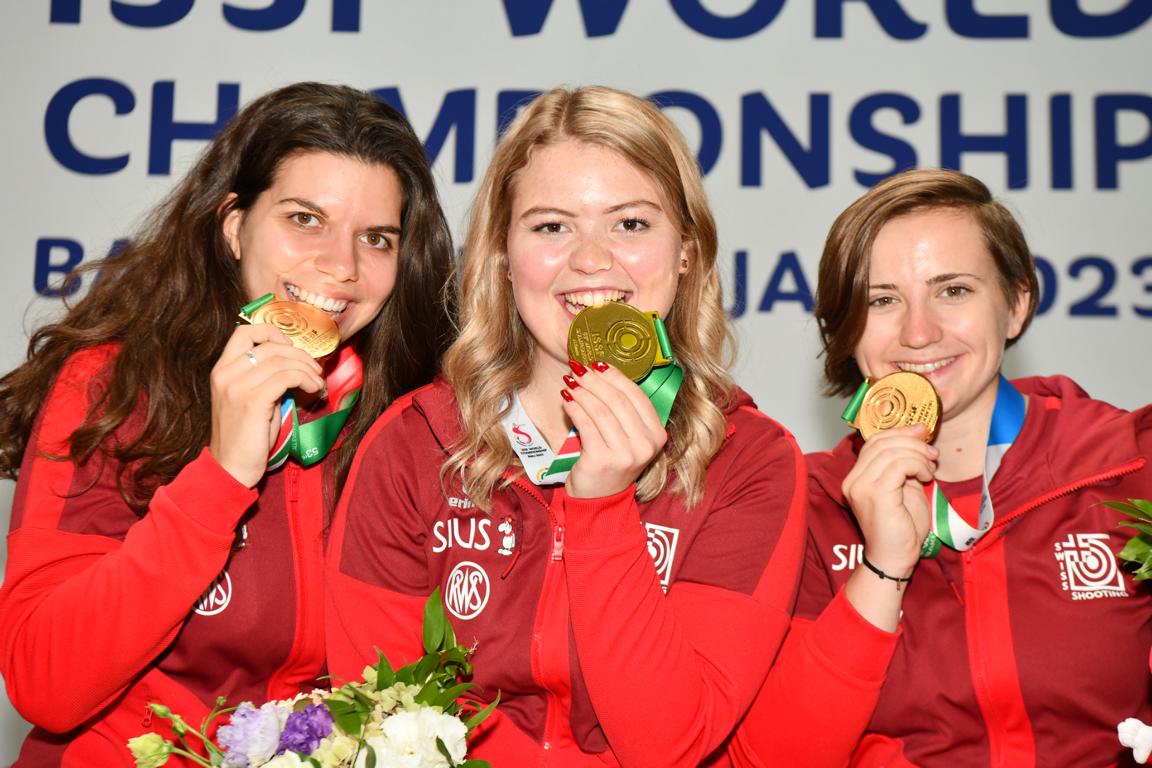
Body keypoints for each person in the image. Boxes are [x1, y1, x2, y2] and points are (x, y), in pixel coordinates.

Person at [326, 85, 806, 767]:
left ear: (687, 251)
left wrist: (602, 508)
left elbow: (667, 742)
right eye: (551, 226)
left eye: (631, 224)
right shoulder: (415, 443)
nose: (590, 259)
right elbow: (369, 723)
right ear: (501, 254)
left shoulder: (749, 460)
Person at [0, 82, 455, 766]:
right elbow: (46, 684)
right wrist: (220, 475)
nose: (342, 265)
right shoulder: (115, 387)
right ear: (234, 225)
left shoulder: (410, 418)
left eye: (377, 238)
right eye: (305, 219)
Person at [730, 168, 1152, 767]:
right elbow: (774, 758)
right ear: (844, 331)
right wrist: (882, 569)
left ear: (1016, 304)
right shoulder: (803, 505)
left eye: (953, 290)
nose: (919, 331)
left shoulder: (1128, 465)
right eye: (882, 300)